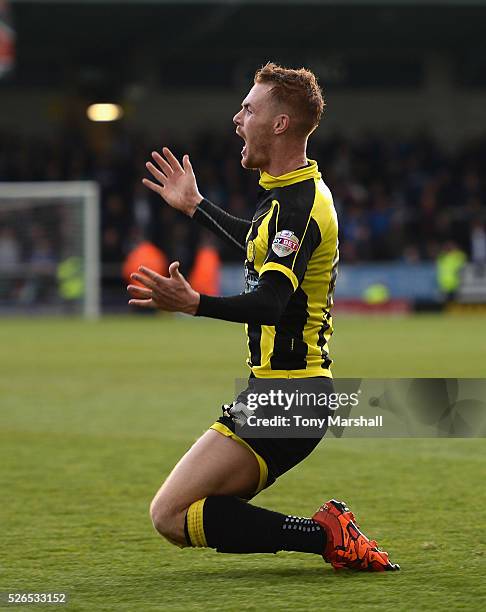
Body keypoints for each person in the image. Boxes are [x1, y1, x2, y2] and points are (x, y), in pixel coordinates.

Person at [127, 63, 399, 572]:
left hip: (291, 396)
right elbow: (260, 247)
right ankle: (327, 534)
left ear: (279, 125)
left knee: (169, 514)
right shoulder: (289, 196)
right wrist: (197, 206)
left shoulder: (298, 205)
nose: (236, 119)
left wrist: (194, 304)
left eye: (248, 109)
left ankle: (325, 536)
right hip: (284, 393)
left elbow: (271, 301)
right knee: (184, 512)